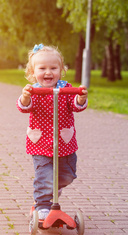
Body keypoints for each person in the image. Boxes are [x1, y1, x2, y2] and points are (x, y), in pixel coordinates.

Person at [16, 44, 88, 221]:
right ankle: (42, 206)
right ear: (33, 72)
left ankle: (53, 188)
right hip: (41, 144)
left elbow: (75, 105)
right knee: (44, 176)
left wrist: (80, 98)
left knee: (68, 174)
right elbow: (24, 107)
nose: (48, 72)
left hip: (65, 142)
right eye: (42, 68)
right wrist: (25, 97)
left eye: (53, 68)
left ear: (61, 70)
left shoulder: (66, 88)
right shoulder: (33, 91)